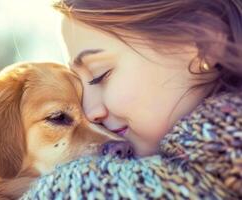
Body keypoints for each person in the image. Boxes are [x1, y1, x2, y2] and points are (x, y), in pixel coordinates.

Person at [22, 0, 242, 199]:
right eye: (81, 83)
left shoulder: (85, 188)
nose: (89, 112)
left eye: (101, 74)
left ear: (204, 44)